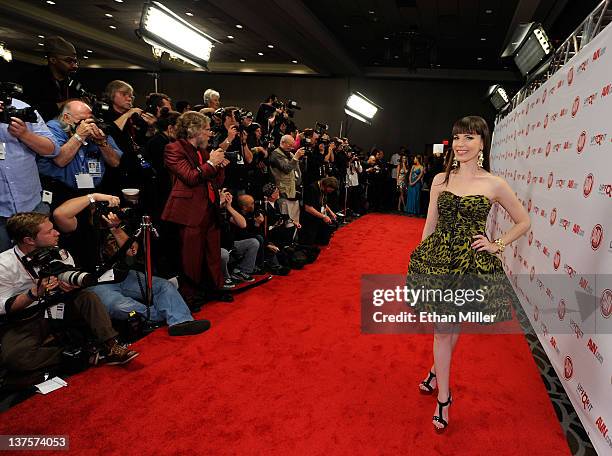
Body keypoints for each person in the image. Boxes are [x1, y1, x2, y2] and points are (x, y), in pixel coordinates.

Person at [406, 116, 530, 432]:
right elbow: (430, 224)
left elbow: (523, 221)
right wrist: (420, 260)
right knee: (443, 329)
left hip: (470, 264)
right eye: (458, 137)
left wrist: (496, 244)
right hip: (438, 261)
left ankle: (436, 373)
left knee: (452, 324)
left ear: (482, 143)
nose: (461, 144)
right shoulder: (439, 180)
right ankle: (444, 398)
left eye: (469, 137)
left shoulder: (494, 184)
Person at [0, 212, 139, 377]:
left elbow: (72, 279)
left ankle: (111, 345)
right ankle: (81, 354)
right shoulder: (4, 265)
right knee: (14, 358)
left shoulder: (59, 252)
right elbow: (3, 307)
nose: (57, 233)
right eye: (49, 231)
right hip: (28, 317)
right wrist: (33, 294)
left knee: (87, 297)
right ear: (29, 240)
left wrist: (71, 286)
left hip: (60, 305)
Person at [52, 193, 212, 336]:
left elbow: (132, 253)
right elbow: (60, 214)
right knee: (120, 306)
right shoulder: (79, 227)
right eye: (101, 209)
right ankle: (161, 315)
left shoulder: (117, 224)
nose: (106, 213)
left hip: (123, 276)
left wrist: (115, 229)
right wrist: (94, 196)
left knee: (163, 286)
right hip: (95, 284)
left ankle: (180, 322)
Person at [162, 112, 229, 304]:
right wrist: (211, 163)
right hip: (189, 212)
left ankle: (215, 289)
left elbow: (215, 179)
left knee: (213, 253)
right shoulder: (173, 149)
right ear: (194, 130)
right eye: (207, 130)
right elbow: (190, 177)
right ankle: (189, 297)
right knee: (190, 258)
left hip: (210, 208)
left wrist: (219, 166)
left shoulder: (203, 150)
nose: (210, 134)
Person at [0, 95, 59, 252]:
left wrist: (24, 134)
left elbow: (52, 149)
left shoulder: (19, 107)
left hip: (33, 207)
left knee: (42, 266)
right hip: (1, 215)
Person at [39, 100, 122, 208]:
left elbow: (115, 162)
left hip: (92, 191)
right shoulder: (53, 128)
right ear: (66, 118)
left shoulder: (96, 127)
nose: (87, 124)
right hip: (59, 191)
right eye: (82, 120)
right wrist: (79, 136)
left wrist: (102, 143)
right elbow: (60, 160)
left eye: (90, 119)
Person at [21, 36, 81, 121]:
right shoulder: (34, 79)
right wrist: (64, 104)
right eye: (69, 61)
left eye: (75, 61)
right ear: (53, 60)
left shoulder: (73, 82)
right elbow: (31, 110)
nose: (74, 65)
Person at [270, 135, 305, 227]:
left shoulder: (290, 154)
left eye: (292, 145)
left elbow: (297, 171)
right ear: (283, 143)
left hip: (292, 190)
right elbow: (286, 168)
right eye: (289, 144)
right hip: (282, 191)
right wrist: (296, 157)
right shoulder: (275, 155)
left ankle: (292, 237)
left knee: (293, 218)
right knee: (285, 218)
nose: (291, 147)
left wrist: (298, 182)